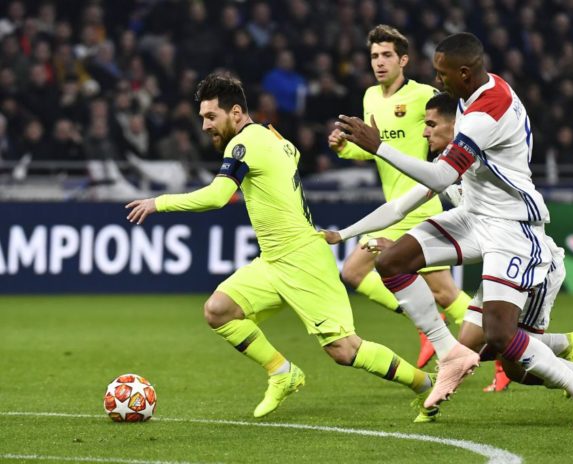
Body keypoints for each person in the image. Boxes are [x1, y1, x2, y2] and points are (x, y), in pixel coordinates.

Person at [335, 32, 573, 429]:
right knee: (394, 261)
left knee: (502, 340)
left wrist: (379, 147)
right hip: (475, 216)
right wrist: (344, 233)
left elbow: (440, 176)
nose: (438, 80)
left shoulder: (486, 113)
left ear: (465, 73)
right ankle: (450, 353)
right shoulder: (474, 95)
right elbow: (411, 198)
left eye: (443, 74)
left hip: (511, 227)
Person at [125, 72, 439, 423]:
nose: (205, 126)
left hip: (303, 259)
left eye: (211, 116)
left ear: (236, 113)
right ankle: (282, 372)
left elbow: (217, 196)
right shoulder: (271, 134)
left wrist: (158, 203)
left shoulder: (244, 143)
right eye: (202, 117)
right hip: (273, 260)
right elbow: (294, 153)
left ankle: (426, 385)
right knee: (219, 310)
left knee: (344, 350)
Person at [328, 24, 470, 368]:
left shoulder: (423, 95)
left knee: (442, 292)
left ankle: (499, 344)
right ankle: (435, 328)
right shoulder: (370, 97)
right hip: (395, 207)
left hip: (419, 205)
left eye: (387, 55)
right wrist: (344, 148)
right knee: (356, 273)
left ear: (403, 60)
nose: (379, 62)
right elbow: (375, 149)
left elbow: (456, 123)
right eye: (374, 56)